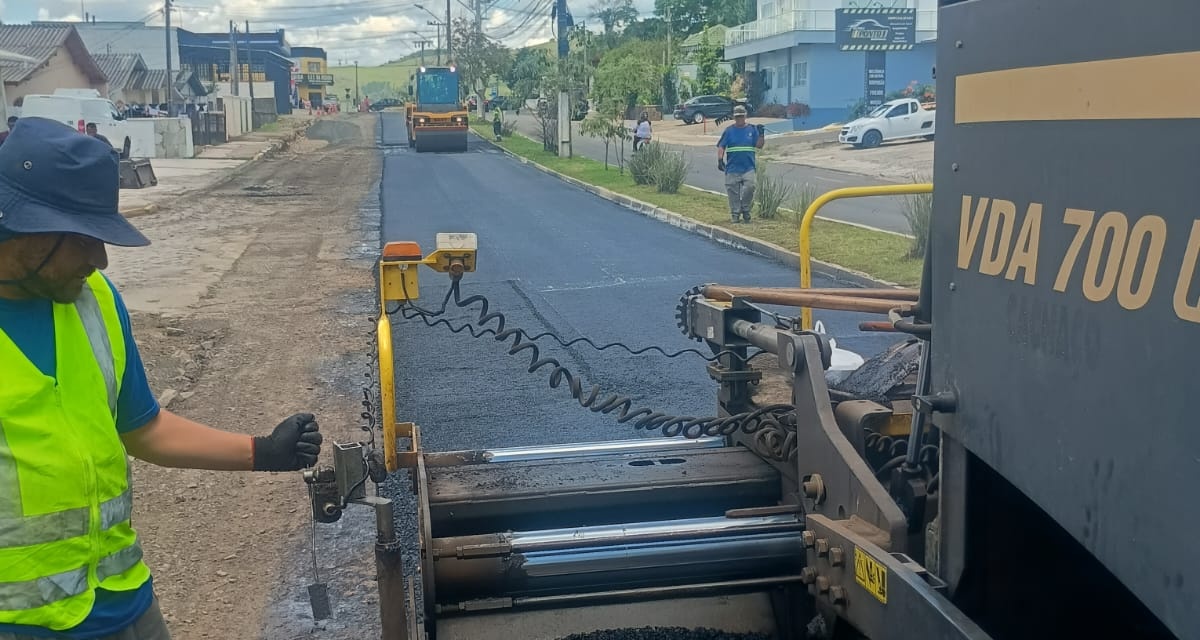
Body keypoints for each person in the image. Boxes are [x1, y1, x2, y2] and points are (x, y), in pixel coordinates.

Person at [0, 117, 324, 639]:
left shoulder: (95, 300)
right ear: (24, 227)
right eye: (83, 240)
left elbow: (143, 428)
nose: (99, 259)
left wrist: (263, 452)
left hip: (125, 605)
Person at [716, 105, 765, 224]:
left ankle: (745, 209)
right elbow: (721, 146)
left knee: (750, 186)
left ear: (745, 116)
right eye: (737, 117)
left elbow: (759, 145)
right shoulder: (729, 131)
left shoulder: (752, 130)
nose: (739, 119)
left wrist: (761, 134)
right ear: (734, 117)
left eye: (741, 116)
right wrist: (720, 160)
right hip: (732, 167)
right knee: (733, 191)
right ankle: (735, 214)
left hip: (748, 167)